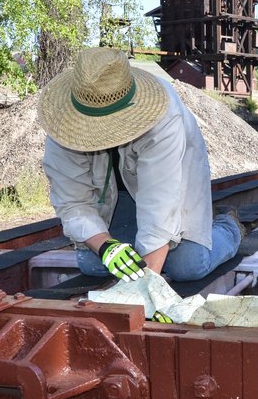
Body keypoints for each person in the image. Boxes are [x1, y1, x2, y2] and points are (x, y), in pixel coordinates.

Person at [38, 47, 243, 283]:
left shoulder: (163, 116)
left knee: (187, 265)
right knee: (94, 265)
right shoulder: (62, 126)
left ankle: (228, 227)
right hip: (117, 197)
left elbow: (159, 203)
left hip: (172, 182)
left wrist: (147, 285)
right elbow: (72, 202)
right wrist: (107, 248)